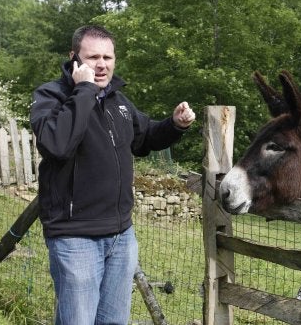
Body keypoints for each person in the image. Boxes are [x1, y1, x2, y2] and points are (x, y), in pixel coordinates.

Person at [30, 25, 195, 325]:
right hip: (75, 236)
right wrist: (84, 90)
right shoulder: (50, 95)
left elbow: (145, 138)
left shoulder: (117, 101)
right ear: (74, 58)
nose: (102, 64)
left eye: (108, 57)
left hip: (121, 236)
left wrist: (174, 125)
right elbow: (57, 145)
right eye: (93, 57)